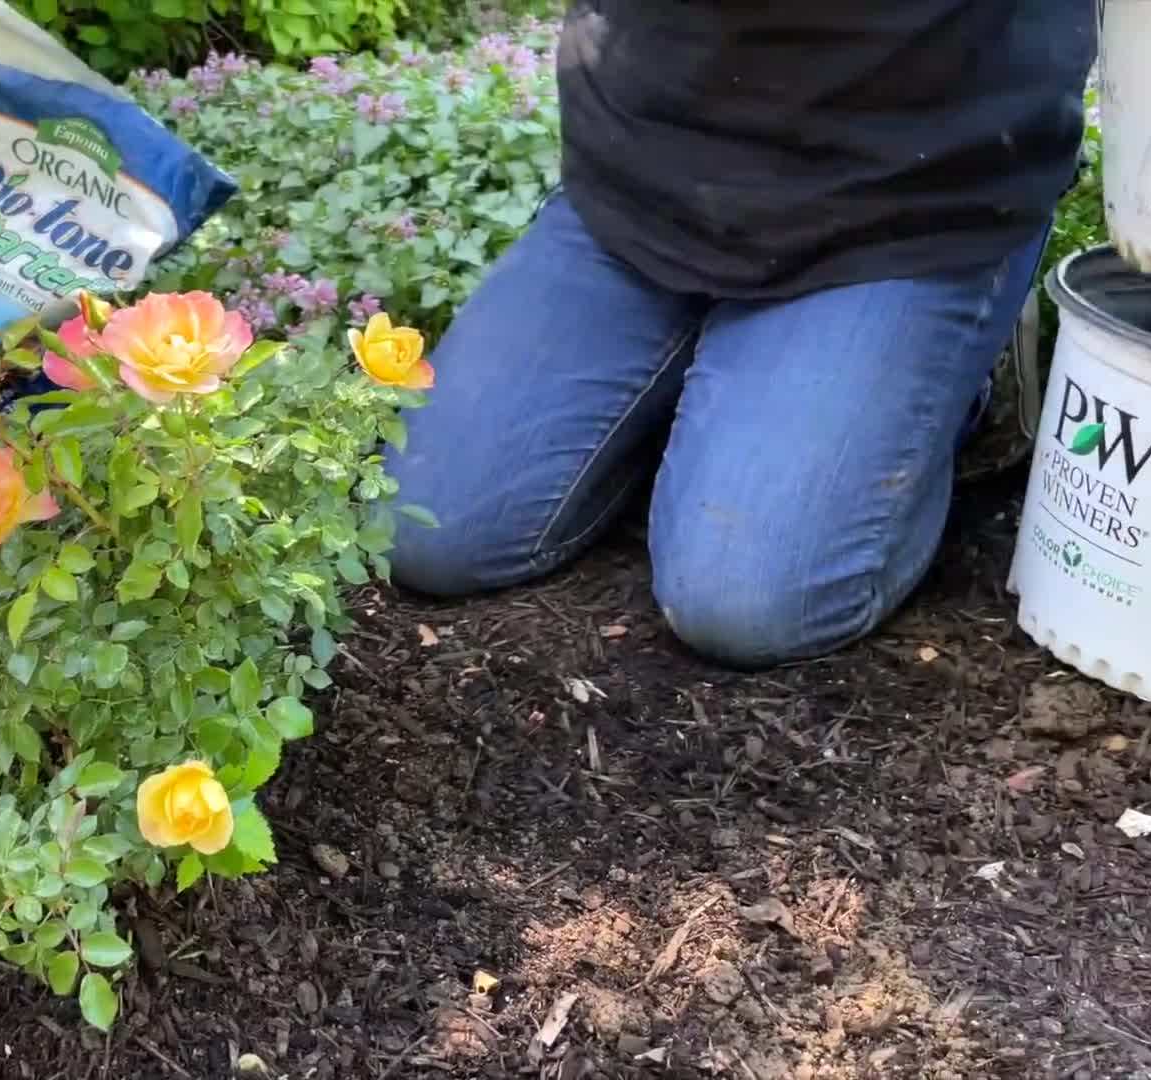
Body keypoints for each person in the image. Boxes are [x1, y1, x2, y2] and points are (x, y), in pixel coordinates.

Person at [386, 1, 1097, 669]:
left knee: (746, 597)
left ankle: (957, 369)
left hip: (910, 190)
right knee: (423, 528)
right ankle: (738, 387)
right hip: (652, 160)